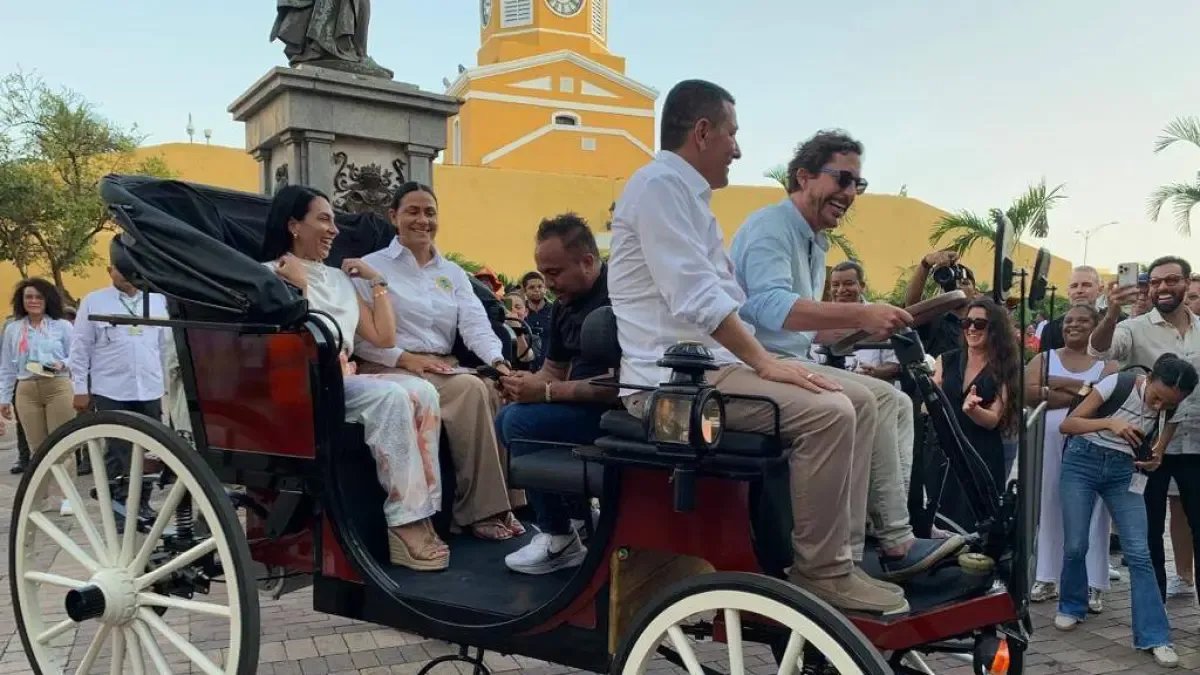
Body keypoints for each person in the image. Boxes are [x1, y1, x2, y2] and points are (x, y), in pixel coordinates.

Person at [608, 79, 905, 614]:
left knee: (862, 400)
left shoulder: (688, 200)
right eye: (732, 133)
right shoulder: (658, 188)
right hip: (672, 384)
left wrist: (774, 362)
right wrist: (768, 364)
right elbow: (701, 299)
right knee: (830, 413)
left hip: (709, 369)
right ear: (702, 132)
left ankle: (844, 556)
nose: (738, 149)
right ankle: (822, 571)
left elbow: (726, 297)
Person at [730, 130, 961, 585]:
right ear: (803, 177)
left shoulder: (811, 240)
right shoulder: (770, 228)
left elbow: (805, 326)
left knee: (894, 402)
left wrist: (863, 328)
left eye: (858, 184)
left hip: (788, 358)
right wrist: (862, 313)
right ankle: (855, 555)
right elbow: (767, 308)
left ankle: (892, 533)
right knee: (864, 402)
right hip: (754, 365)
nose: (850, 194)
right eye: (843, 179)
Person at [263, 185, 446, 571]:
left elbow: (384, 336)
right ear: (294, 225)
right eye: (324, 219)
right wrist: (299, 286)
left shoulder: (338, 278)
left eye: (334, 221)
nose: (333, 230)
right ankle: (404, 519)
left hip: (341, 380)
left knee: (424, 392)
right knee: (392, 398)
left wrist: (377, 280)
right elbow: (289, 337)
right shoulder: (269, 275)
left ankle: (424, 511)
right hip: (304, 383)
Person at [354, 181, 524, 541]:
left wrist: (499, 361)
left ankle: (509, 504)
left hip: (441, 365)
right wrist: (404, 358)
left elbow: (475, 323)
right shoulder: (372, 268)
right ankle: (480, 512)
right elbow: (358, 335)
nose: (422, 220)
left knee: (496, 388)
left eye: (429, 212)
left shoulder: (451, 273)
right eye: (412, 211)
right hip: (391, 366)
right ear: (393, 217)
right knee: (470, 390)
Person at [1056, 354, 1196, 669]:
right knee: (1076, 543)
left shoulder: (1173, 405)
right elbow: (1068, 424)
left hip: (1124, 472)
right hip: (1082, 461)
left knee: (1140, 552)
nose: (1159, 406)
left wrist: (1155, 457)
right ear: (1150, 379)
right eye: (1156, 397)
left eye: (1168, 403)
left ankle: (1155, 636)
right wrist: (1110, 422)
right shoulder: (1116, 384)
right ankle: (1071, 604)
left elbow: (1159, 449)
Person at [497, 214, 616, 575]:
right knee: (511, 413)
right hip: (581, 405)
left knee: (519, 422)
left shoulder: (620, 296)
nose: (547, 284)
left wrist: (546, 392)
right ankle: (576, 519)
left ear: (588, 261)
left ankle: (558, 535)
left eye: (554, 273)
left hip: (620, 414)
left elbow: (621, 385)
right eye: (543, 274)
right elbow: (553, 369)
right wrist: (524, 384)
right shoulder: (564, 305)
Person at [1089, 256, 1200, 605]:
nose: (1162, 287)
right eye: (1154, 282)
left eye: (1170, 280)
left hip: (1195, 446)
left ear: (1186, 282)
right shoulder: (1134, 327)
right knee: (1148, 532)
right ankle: (1155, 611)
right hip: (1146, 451)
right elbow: (1099, 350)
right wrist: (1111, 313)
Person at [69, 241, 171, 521]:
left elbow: (164, 347)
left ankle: (142, 503)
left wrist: (166, 387)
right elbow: (80, 348)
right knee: (117, 448)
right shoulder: (95, 301)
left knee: (150, 451)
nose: (124, 273)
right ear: (109, 270)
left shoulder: (158, 301)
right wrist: (80, 388)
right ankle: (118, 505)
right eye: (118, 268)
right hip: (111, 388)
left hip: (148, 388)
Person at [1025, 304, 1117, 612]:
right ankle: (1047, 576)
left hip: (1092, 446)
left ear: (1096, 325)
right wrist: (1082, 391)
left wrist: (1056, 384)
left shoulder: (1107, 363)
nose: (1073, 325)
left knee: (1094, 512)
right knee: (1049, 505)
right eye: (1068, 320)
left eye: (1082, 320)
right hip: (1049, 443)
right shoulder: (1044, 357)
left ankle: (1093, 583)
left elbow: (1107, 400)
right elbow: (1028, 393)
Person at [931, 297, 1021, 530]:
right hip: (944, 451)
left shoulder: (1006, 367)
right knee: (940, 519)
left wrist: (974, 410)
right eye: (967, 322)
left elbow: (993, 420)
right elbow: (930, 404)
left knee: (976, 522)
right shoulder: (946, 359)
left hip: (981, 454)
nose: (971, 328)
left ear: (995, 330)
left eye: (980, 324)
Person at [0, 278, 75, 514]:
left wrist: (60, 364)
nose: (33, 301)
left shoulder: (62, 326)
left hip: (57, 385)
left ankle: (66, 496)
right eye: (28, 297)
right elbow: (6, 366)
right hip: (26, 389)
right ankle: (41, 495)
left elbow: (77, 357)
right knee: (37, 446)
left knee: (62, 443)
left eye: (38, 297)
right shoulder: (13, 329)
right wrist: (4, 397)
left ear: (47, 300)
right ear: (21, 302)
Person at [905, 250, 979, 358]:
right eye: (953, 283)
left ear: (975, 293)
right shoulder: (934, 319)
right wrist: (925, 264)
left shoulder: (980, 325)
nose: (957, 286)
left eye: (964, 283)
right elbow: (911, 305)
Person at [1039, 266, 1104, 352]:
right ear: (1068, 292)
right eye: (1074, 286)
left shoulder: (1117, 324)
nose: (1079, 290)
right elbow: (1045, 363)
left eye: (1086, 285)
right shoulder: (1051, 329)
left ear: (1100, 290)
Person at [522, 271, 553, 373]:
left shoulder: (556, 311)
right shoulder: (519, 312)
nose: (537, 290)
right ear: (525, 291)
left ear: (545, 288)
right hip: (525, 369)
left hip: (551, 370)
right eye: (532, 287)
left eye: (540, 286)